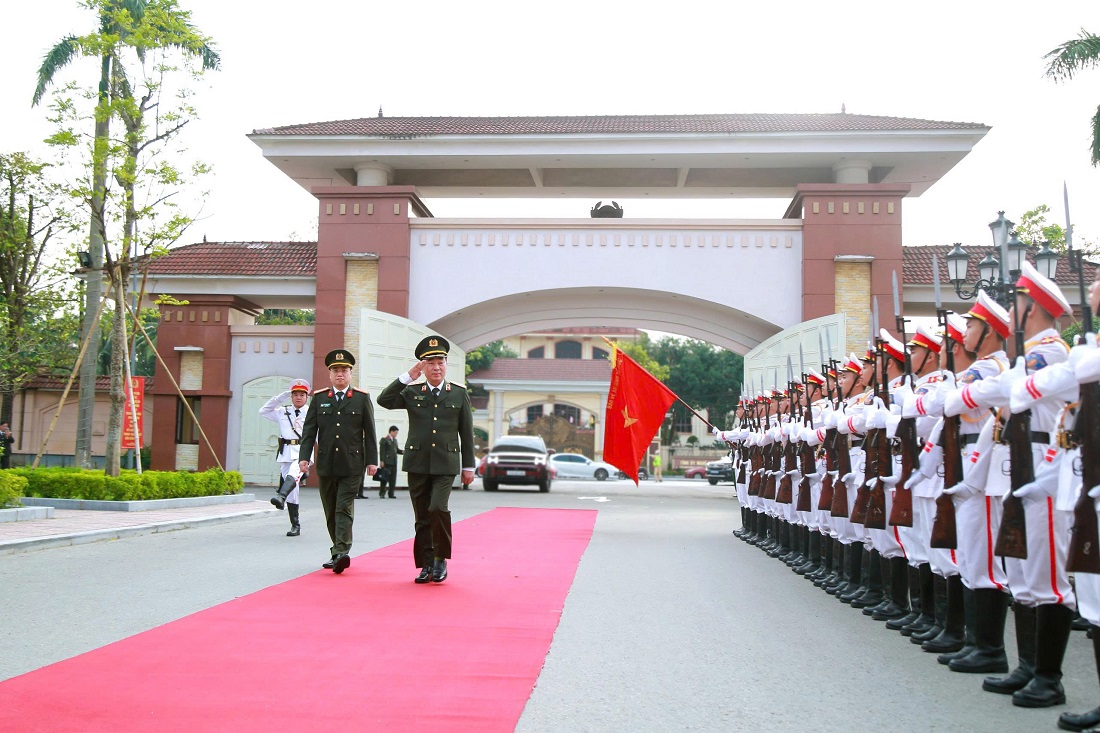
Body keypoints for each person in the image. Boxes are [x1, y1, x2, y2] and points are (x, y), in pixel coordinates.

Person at [377, 335, 475, 584]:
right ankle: (426, 564)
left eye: (440, 362)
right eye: (430, 363)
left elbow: (466, 432)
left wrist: (469, 466)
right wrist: (408, 376)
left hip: (445, 463)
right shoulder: (412, 392)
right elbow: (384, 400)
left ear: (446, 365)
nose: (436, 367)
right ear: (423, 367)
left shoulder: (458, 394)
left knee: (437, 508)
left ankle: (440, 559)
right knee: (422, 515)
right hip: (418, 462)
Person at [297, 349, 378, 574]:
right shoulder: (320, 398)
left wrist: (372, 461)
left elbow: (370, 432)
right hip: (327, 463)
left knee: (343, 507)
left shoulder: (361, 398)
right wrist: (304, 457)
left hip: (352, 464)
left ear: (351, 373)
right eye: (335, 370)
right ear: (330, 374)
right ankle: (337, 550)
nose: (340, 374)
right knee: (330, 509)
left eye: (344, 370)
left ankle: (342, 551)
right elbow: (309, 431)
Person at [260, 378, 311, 536]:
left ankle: (281, 495)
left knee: (294, 473)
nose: (298, 397)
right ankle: (295, 525)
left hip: (303, 452)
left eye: (301, 394)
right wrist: (281, 396)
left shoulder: (311, 413)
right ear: (291, 396)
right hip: (285, 452)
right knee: (293, 490)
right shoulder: (283, 411)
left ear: (306, 396)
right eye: (295, 394)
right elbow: (263, 411)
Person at [378, 425, 402, 498]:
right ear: (391, 431)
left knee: (393, 479)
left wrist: (404, 452)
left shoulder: (395, 440)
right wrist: (382, 461)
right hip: (387, 462)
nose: (396, 434)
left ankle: (391, 493)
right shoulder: (384, 440)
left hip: (394, 462)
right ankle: (382, 493)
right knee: (384, 478)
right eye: (395, 433)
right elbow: (382, 451)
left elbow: (397, 450)